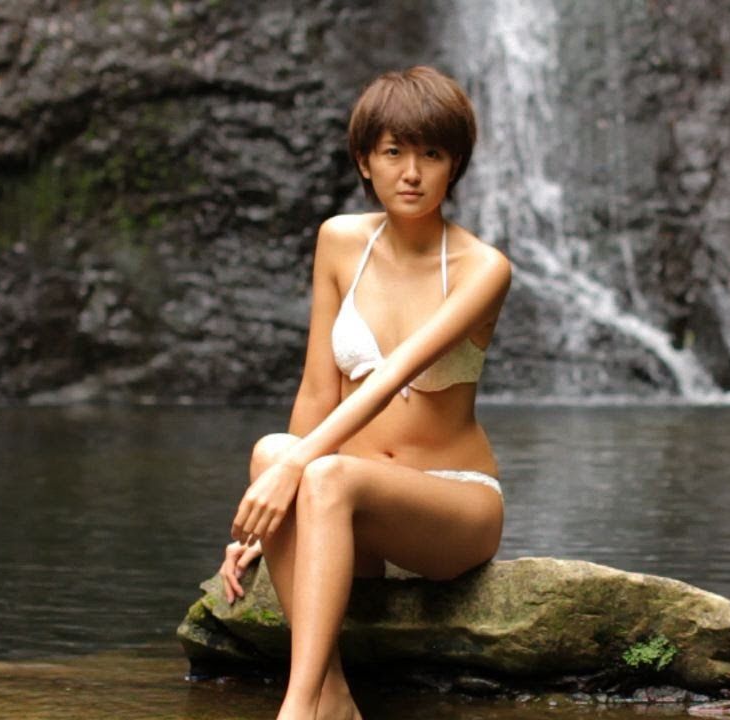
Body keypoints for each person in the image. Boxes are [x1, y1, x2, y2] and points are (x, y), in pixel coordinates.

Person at [217, 66, 510, 720]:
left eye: (432, 154)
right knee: (271, 451)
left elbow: (393, 375)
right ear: (364, 161)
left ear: (455, 165)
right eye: (393, 152)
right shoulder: (339, 241)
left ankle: (297, 708)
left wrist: (296, 473)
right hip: (350, 505)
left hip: (454, 507)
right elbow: (317, 390)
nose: (412, 173)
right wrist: (275, 519)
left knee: (314, 471)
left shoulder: (483, 268)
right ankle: (333, 697)